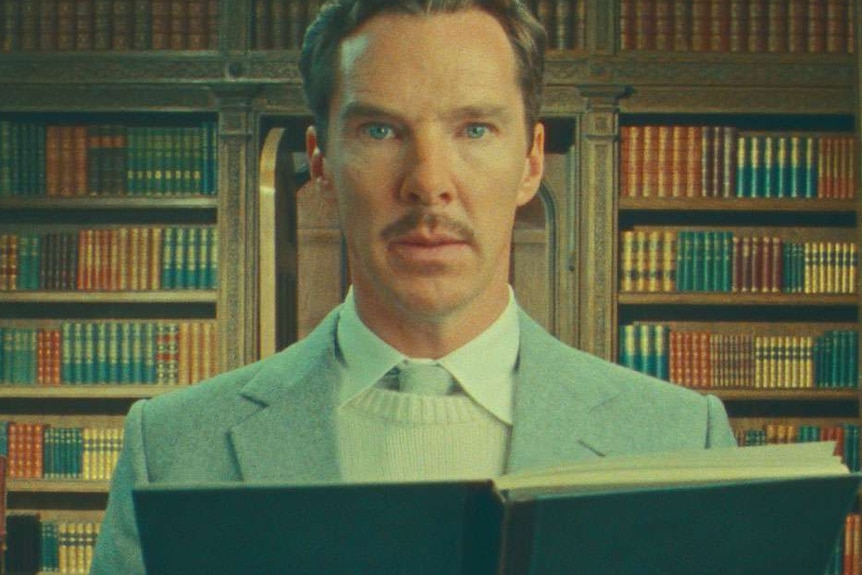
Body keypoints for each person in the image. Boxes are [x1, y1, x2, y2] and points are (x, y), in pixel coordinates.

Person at [89, 0, 736, 572]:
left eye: (474, 129)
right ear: (321, 162)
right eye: (380, 130)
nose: (429, 182)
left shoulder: (681, 439)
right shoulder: (172, 450)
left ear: (531, 161)